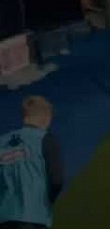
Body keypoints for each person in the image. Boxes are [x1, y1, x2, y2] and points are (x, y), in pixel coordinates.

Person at [0, 96, 63, 229]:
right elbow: (57, 180)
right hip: (35, 217)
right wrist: (46, 202)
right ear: (46, 117)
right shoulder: (45, 139)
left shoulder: (2, 141)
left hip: (4, 218)